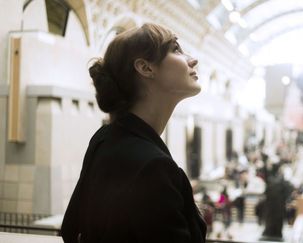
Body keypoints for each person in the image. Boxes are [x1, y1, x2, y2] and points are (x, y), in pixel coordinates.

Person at [61, 23, 206, 243]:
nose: (192, 59)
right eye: (175, 49)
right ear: (145, 68)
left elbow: (71, 229)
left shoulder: (103, 140)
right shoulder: (155, 167)